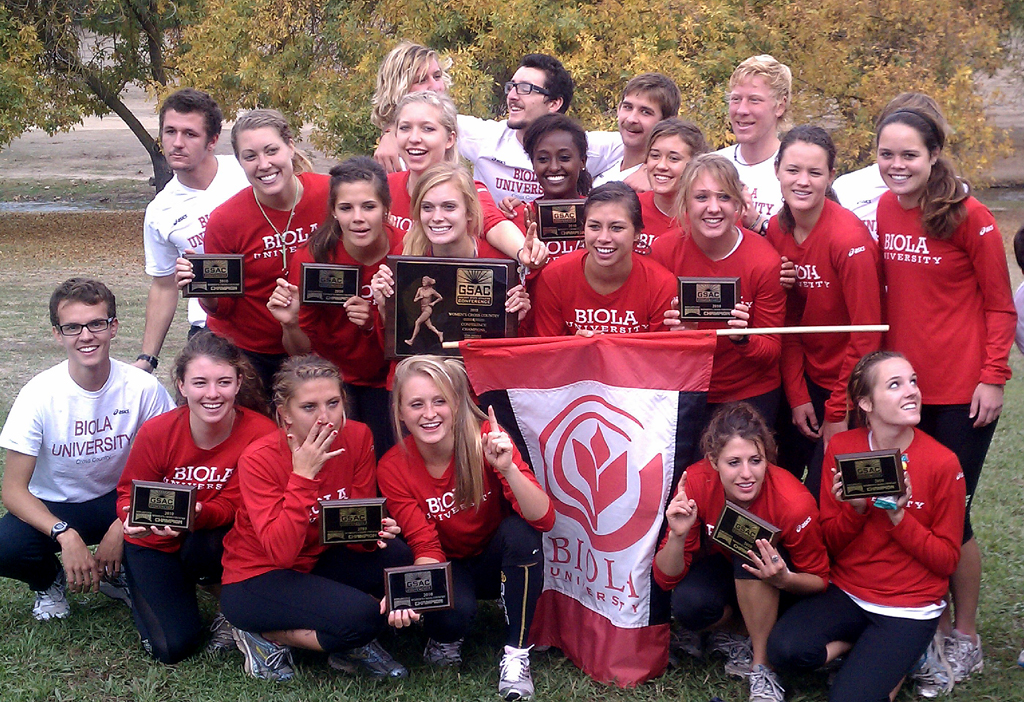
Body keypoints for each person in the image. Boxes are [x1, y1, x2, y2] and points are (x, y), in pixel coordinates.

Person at [874, 106, 1016, 686]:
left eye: (909, 154)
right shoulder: (884, 208)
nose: (897, 165)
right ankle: (924, 629)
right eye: (887, 153)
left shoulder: (969, 216)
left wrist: (992, 376)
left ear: (933, 155)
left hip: (961, 393)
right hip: (903, 395)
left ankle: (965, 636)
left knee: (951, 519)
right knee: (908, 508)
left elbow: (1000, 304)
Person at [767, 351, 966, 702]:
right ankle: (862, 648)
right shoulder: (844, 448)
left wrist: (899, 518)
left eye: (913, 381)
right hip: (849, 591)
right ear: (866, 403)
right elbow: (829, 541)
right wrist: (855, 511)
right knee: (784, 651)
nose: (911, 391)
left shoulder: (942, 463)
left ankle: (908, 654)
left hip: (909, 605)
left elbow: (947, 561)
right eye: (895, 385)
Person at [219, 355, 411, 681]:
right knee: (364, 618)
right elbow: (281, 552)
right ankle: (264, 635)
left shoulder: (358, 436)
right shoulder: (259, 458)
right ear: (285, 414)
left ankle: (340, 634)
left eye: (333, 403)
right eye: (309, 407)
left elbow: (353, 519)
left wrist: (371, 531)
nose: (326, 418)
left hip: (317, 557)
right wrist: (303, 476)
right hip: (257, 576)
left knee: (398, 557)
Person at [377, 356, 555, 701]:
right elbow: (425, 546)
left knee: (522, 533)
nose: (429, 413)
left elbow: (544, 519)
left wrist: (508, 469)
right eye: (416, 404)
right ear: (401, 412)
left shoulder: (486, 438)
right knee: (451, 621)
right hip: (449, 563)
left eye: (440, 400)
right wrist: (410, 595)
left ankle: (516, 653)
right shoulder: (393, 466)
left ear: (456, 404)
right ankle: (446, 636)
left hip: (494, 558)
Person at [0, 278, 175, 621]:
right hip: (56, 503)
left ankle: (120, 573)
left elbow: (170, 468)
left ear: (113, 328)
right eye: (73, 327)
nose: (86, 336)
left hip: (117, 497)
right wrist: (64, 535)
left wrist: (124, 523)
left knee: (166, 512)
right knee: (6, 547)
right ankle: (49, 581)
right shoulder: (39, 394)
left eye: (96, 323)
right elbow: (13, 491)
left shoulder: (143, 388)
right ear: (57, 334)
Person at [116, 333, 276, 663]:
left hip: (213, 538)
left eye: (223, 382)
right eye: (200, 383)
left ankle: (225, 599)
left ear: (238, 382)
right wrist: (132, 520)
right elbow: (129, 493)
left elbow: (239, 504)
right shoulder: (158, 431)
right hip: (155, 544)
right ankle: (139, 585)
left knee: (209, 543)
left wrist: (196, 515)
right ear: (182, 385)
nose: (213, 394)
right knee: (172, 647)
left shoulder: (262, 434)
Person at [654, 403, 828, 702]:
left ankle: (763, 667)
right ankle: (738, 632)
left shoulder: (793, 501)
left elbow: (819, 580)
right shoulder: (696, 481)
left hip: (785, 585)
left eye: (756, 460)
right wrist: (678, 536)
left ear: (767, 460)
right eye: (733, 462)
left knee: (753, 547)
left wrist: (783, 579)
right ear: (713, 461)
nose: (746, 474)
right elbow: (666, 579)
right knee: (689, 606)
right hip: (728, 568)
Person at [764, 126, 882, 497]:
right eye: (793, 170)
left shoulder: (848, 239)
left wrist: (839, 410)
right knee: (774, 484)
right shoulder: (776, 230)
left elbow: (868, 333)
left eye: (815, 173)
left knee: (828, 493)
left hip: (853, 387)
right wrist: (798, 395)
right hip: (808, 380)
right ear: (777, 170)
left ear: (831, 176)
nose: (802, 182)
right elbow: (788, 322)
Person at [178, 109, 329, 395]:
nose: (264, 164)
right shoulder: (226, 219)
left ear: (291, 147)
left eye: (272, 151)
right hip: (251, 354)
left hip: (319, 347)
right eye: (250, 156)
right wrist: (201, 286)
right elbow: (221, 308)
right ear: (239, 162)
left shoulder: (329, 195)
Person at [267, 157, 397, 458]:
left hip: (389, 382)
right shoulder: (314, 259)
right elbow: (301, 353)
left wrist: (374, 321)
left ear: (386, 209)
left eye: (369, 206)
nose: (358, 218)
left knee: (386, 463)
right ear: (334, 212)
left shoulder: (407, 251)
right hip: (333, 383)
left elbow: (413, 344)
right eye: (346, 208)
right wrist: (290, 324)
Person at [652, 154, 786, 429]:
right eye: (701, 197)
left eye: (724, 197)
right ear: (685, 201)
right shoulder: (663, 251)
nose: (713, 208)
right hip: (684, 388)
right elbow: (648, 337)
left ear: (738, 203)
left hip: (748, 393)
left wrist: (742, 338)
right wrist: (674, 337)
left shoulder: (764, 260)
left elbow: (772, 350)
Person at [136, 89, 250, 374]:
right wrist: (147, 359)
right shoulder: (160, 212)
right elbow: (163, 285)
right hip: (208, 330)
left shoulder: (247, 172)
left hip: (267, 321)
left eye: (190, 134)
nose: (177, 143)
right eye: (170, 131)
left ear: (212, 140)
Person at [370, 162, 532, 348]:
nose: (437, 217)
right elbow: (394, 349)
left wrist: (516, 321)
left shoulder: (501, 263)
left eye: (449, 207)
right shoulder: (405, 255)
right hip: (421, 367)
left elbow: (512, 351)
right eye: (428, 207)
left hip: (478, 368)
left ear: (469, 212)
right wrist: (384, 307)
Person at [388, 91, 545, 267]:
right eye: (405, 128)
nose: (414, 138)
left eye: (428, 129)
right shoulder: (385, 187)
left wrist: (524, 251)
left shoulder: (470, 189)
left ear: (450, 139)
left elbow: (494, 224)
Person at [456, 53, 623, 202]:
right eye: (512, 87)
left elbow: (642, 142)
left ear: (553, 103)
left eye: (524, 89)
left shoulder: (580, 146)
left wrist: (641, 172)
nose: (512, 96)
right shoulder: (485, 138)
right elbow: (435, 118)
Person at [531, 182, 677, 336]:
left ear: (637, 233)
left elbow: (661, 356)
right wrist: (574, 347)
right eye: (594, 226)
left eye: (617, 228)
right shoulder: (554, 277)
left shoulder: (661, 285)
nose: (604, 238)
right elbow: (546, 351)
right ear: (583, 228)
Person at [831, 93, 949, 241]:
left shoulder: (955, 196)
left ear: (934, 150)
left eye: (909, 154)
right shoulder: (847, 187)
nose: (898, 165)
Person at [714, 55, 791, 228]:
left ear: (780, 106)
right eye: (735, 99)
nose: (742, 110)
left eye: (754, 100)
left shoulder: (796, 173)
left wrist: (757, 222)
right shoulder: (711, 165)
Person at [509, 113, 592, 262]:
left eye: (564, 158)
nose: (553, 167)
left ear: (582, 162)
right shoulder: (518, 218)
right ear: (533, 164)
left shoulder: (599, 213)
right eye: (543, 159)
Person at [592, 72, 681, 191]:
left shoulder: (660, 181)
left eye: (645, 112)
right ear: (618, 109)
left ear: (667, 121)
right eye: (627, 107)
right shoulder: (608, 158)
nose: (631, 119)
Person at [637, 118, 709, 252]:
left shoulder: (711, 214)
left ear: (695, 163)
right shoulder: (631, 209)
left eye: (673, 158)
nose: (661, 165)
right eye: (655, 156)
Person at [371, 41, 451, 136]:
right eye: (421, 80)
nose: (436, 87)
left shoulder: (468, 134)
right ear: (398, 90)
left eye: (437, 76)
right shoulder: (391, 146)